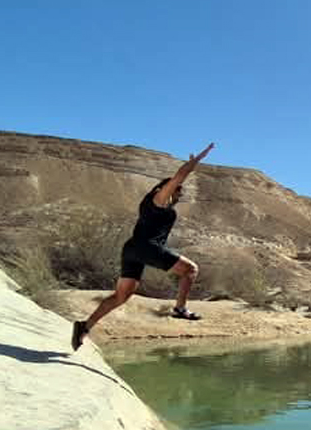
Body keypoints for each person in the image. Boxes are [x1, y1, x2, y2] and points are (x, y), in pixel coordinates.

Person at [71, 142, 215, 351]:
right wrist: (194, 163)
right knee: (191, 270)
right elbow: (178, 177)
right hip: (146, 247)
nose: (178, 195)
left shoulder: (161, 206)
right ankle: (180, 308)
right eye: (177, 191)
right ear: (163, 189)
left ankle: (84, 326)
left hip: (132, 249)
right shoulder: (157, 200)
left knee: (121, 296)